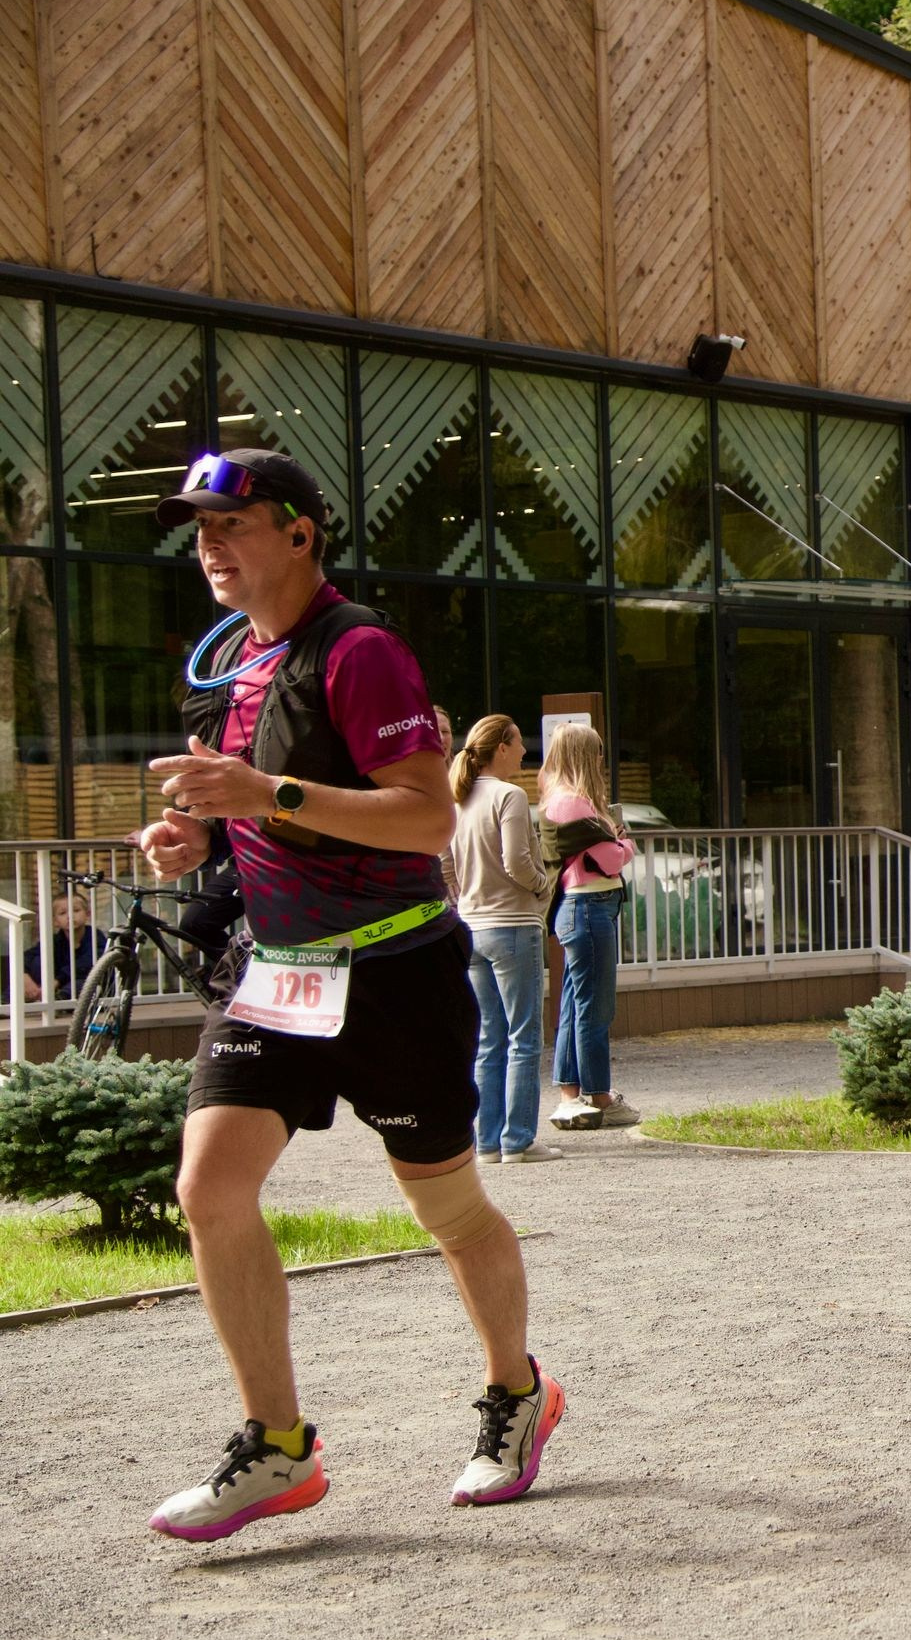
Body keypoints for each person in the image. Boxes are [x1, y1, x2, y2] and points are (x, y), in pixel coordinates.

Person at [136, 447, 560, 1542]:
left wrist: (260, 789)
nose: (211, 546)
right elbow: (266, 809)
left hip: (397, 974)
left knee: (449, 1209)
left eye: (232, 523)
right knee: (208, 1187)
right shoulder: (241, 663)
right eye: (200, 529)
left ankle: (518, 1393)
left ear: (300, 532)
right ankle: (277, 1446)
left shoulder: (359, 648)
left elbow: (428, 817)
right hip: (275, 971)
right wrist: (200, 834)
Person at [449, 715, 558, 1161]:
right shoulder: (509, 795)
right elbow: (516, 858)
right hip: (513, 923)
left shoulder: (458, 795)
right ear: (501, 749)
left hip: (471, 925)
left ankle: (488, 1141)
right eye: (517, 745)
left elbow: (442, 862)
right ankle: (519, 1139)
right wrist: (542, 884)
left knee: (488, 1038)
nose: (522, 753)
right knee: (524, 1037)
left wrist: (463, 897)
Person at [540, 723, 639, 1131]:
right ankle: (600, 1096)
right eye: (596, 753)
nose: (601, 760)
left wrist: (615, 841)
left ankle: (570, 1094)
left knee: (574, 1004)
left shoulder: (558, 799)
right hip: (589, 907)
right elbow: (615, 859)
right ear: (583, 755)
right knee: (595, 1008)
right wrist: (623, 840)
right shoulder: (576, 805)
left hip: (579, 909)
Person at [19, 888, 102, 1001]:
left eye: (76, 910)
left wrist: (57, 980)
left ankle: (59, 999)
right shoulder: (55, 941)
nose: (70, 916)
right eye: (62, 913)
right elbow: (27, 956)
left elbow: (86, 964)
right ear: (55, 921)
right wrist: (24, 976)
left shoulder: (95, 937)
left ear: (87, 914)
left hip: (83, 984)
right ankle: (10, 1000)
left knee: (84, 983)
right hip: (57, 984)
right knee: (37, 961)